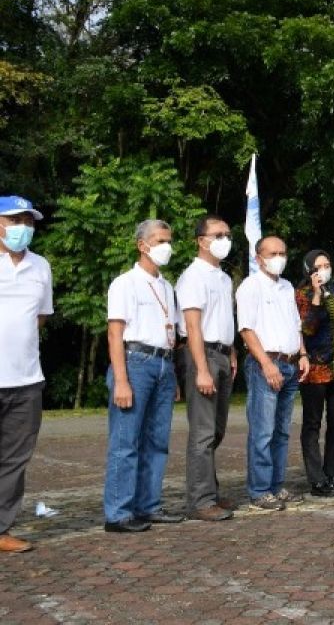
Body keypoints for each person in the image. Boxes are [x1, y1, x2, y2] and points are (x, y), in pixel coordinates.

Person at [103, 219, 185, 532]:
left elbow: (171, 334)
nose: (167, 246)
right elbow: (115, 334)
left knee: (157, 441)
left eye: (169, 239)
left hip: (163, 364)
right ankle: (118, 513)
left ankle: (148, 505)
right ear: (142, 245)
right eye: (160, 240)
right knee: (126, 441)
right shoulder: (125, 283)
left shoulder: (166, 286)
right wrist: (121, 380)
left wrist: (173, 374)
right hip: (134, 361)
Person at [237, 236, 309, 510]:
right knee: (263, 431)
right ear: (259, 258)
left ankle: (276, 485)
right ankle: (259, 490)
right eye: (272, 253)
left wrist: (302, 354)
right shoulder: (250, 287)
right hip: (266, 364)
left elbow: (295, 324)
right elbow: (246, 329)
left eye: (282, 252)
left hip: (290, 363)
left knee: (281, 432)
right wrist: (266, 364)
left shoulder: (287, 286)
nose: (278, 257)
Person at [175, 214, 238, 522]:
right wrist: (201, 368)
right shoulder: (193, 277)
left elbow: (224, 319)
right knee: (202, 432)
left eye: (227, 234)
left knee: (216, 429)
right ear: (201, 241)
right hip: (204, 355)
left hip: (223, 354)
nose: (224, 239)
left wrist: (232, 351)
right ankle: (200, 500)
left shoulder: (223, 278)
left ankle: (209, 490)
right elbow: (192, 326)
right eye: (217, 234)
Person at [0, 195, 53, 553]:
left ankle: (2, 528)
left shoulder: (41, 266)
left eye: (29, 221)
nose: (23, 228)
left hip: (26, 380)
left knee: (15, 460)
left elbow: (41, 317)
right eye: (16, 220)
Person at [296, 249, 334, 497]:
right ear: (309, 271)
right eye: (319, 266)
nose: (324, 269)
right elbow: (306, 328)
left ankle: (330, 474)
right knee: (312, 424)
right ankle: (316, 479)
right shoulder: (301, 295)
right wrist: (316, 296)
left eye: (327, 264)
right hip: (314, 368)